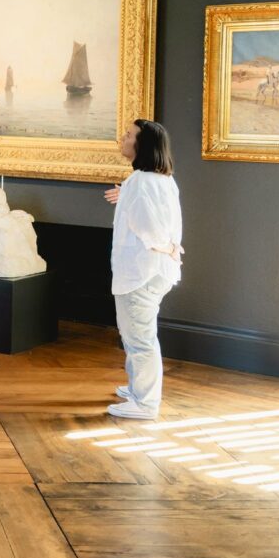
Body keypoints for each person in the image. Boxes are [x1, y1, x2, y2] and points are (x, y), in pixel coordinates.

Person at [102, 119, 184, 420]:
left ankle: (145, 402)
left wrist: (169, 247)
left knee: (139, 338)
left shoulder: (139, 182)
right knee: (138, 334)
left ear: (142, 145)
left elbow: (152, 231)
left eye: (128, 135)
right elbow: (157, 214)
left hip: (141, 274)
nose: (122, 139)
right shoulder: (162, 179)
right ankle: (138, 388)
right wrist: (126, 199)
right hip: (157, 273)